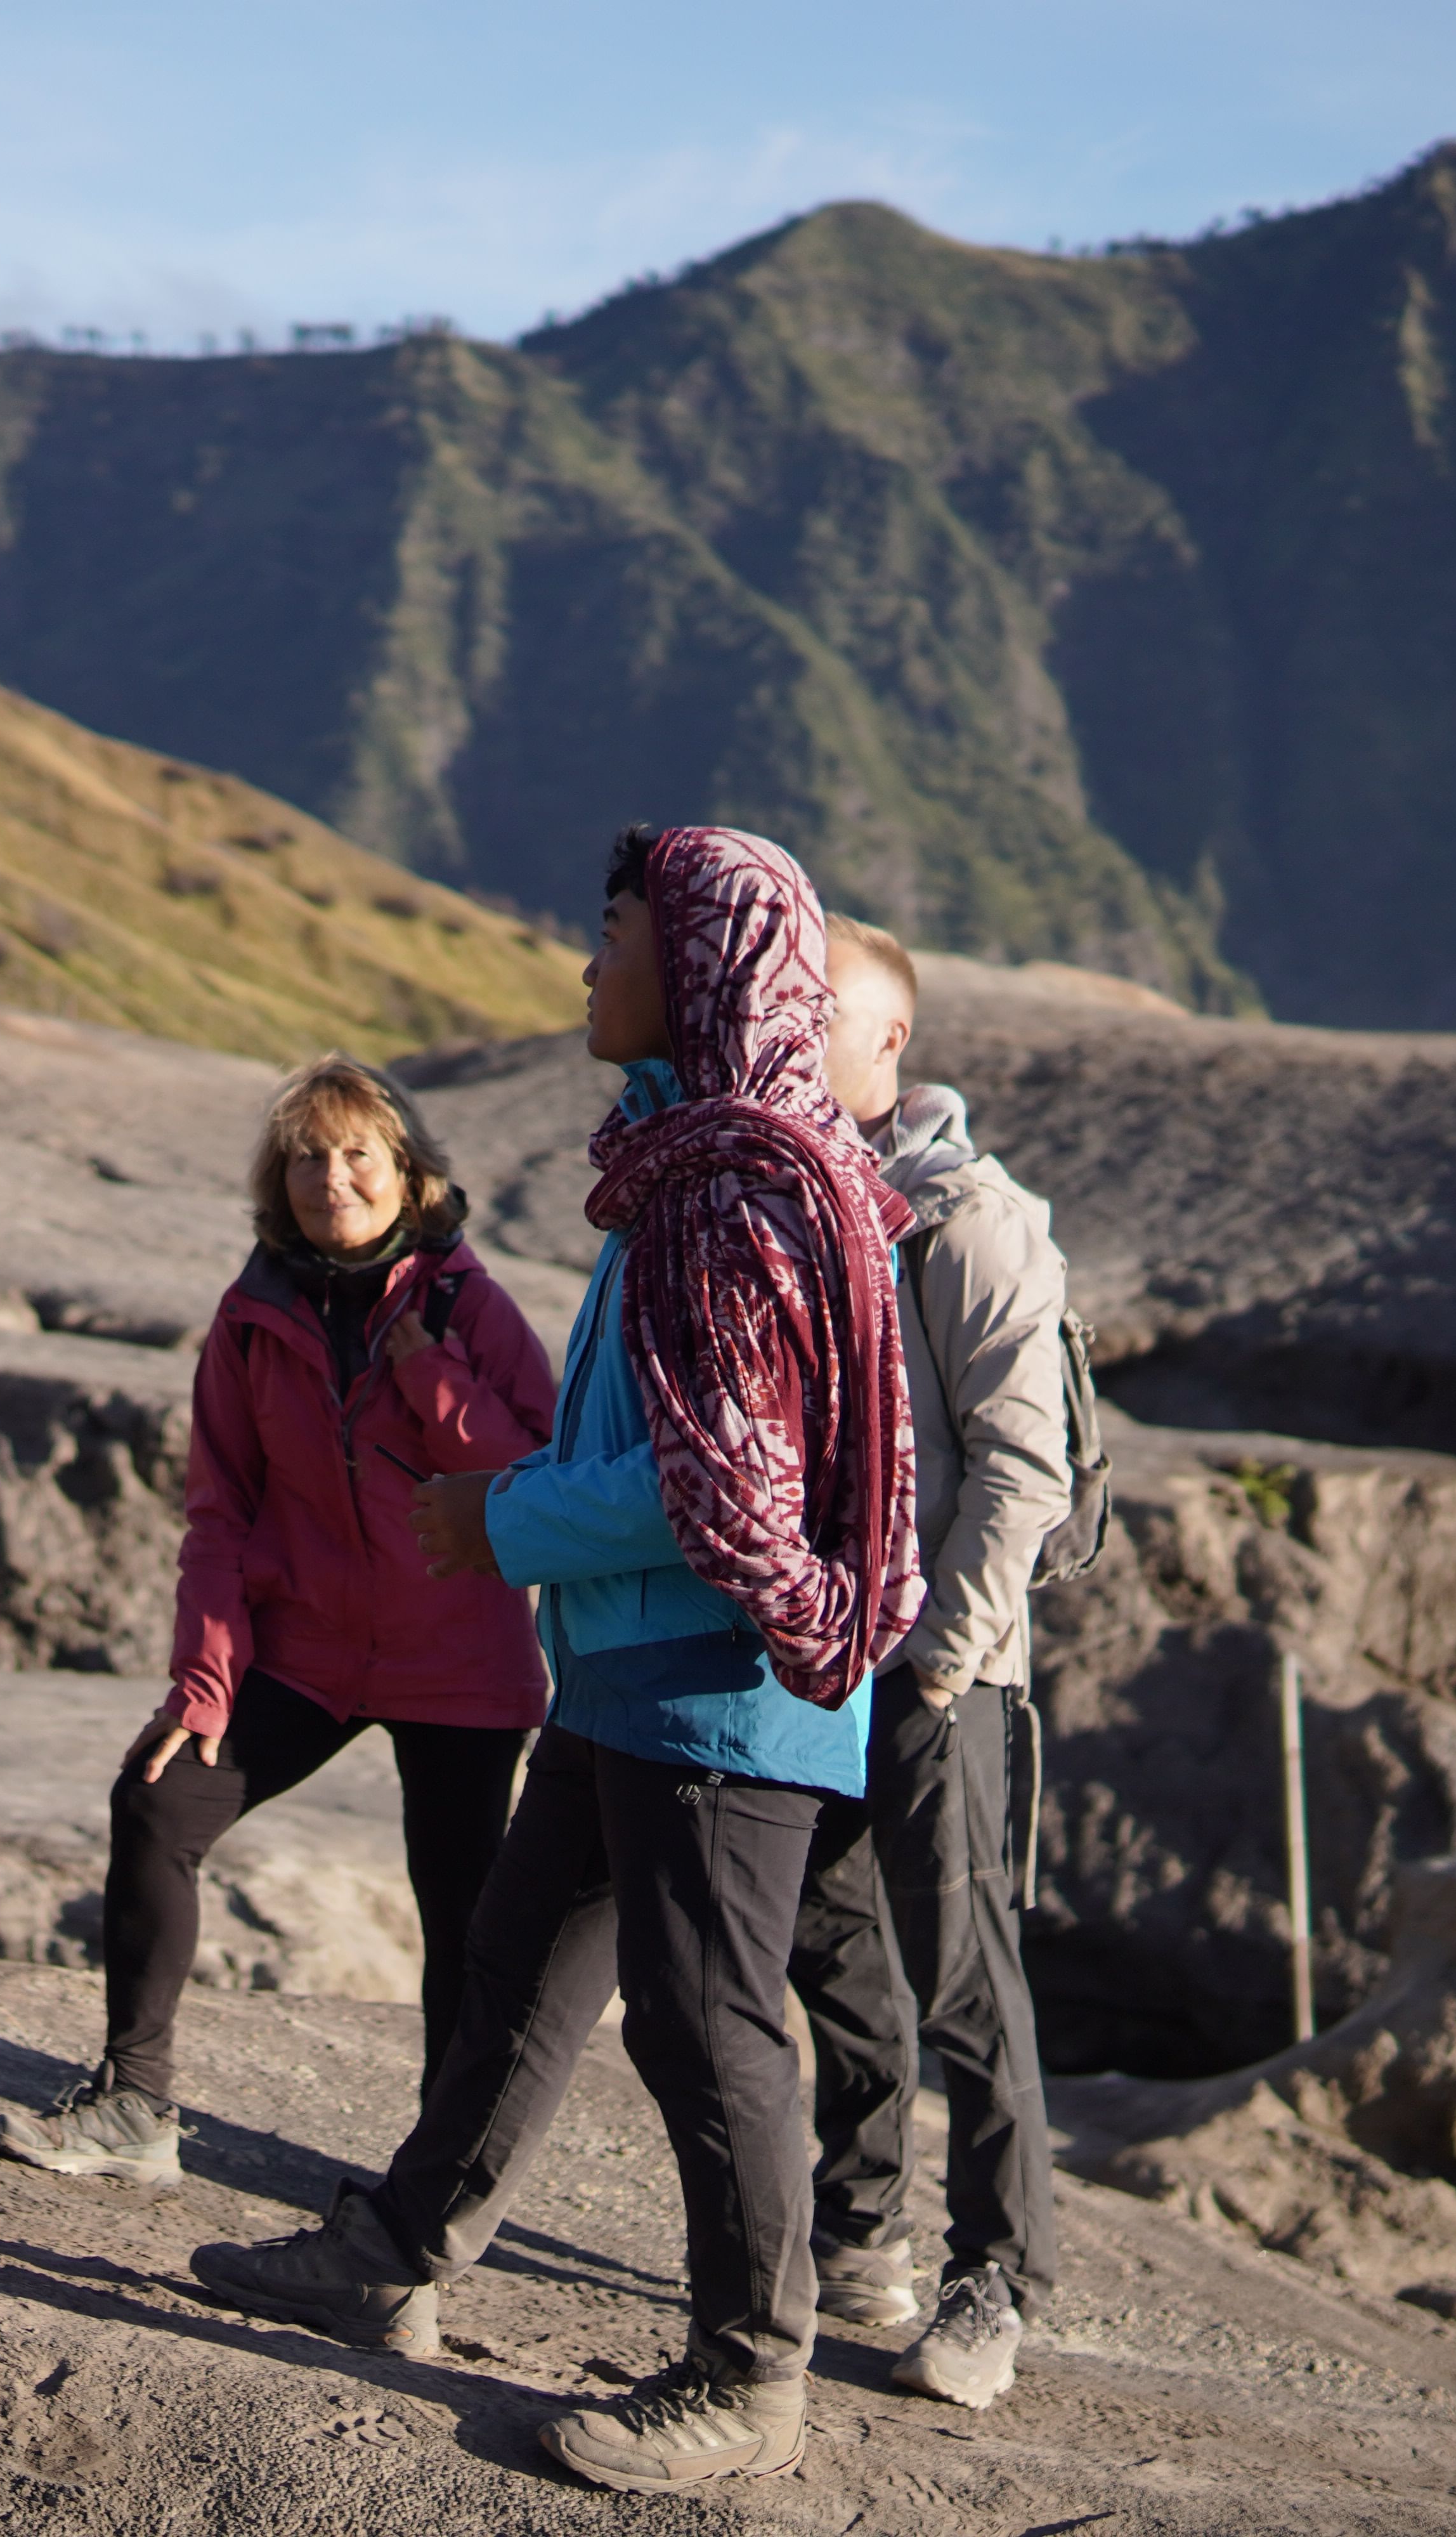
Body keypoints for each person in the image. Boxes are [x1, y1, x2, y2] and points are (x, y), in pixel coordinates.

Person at [194, 824, 926, 2494]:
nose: (586, 967)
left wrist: (499, 1522)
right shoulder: (691, 1162)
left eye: (614, 934)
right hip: (629, 1672)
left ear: (702, 964)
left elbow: (716, 1484)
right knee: (522, 1972)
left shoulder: (740, 1194)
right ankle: (394, 2255)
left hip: (718, 1682)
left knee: (704, 2020)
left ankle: (751, 2376)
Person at [0, 1058, 555, 2184]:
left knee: (461, 1919)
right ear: (279, 1177)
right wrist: (202, 1684)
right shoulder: (252, 1317)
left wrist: (433, 1377)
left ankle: (434, 2182)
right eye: (308, 1156)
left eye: (358, 1155)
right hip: (306, 1656)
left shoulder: (471, 1309)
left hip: (459, 1664)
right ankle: (136, 2108)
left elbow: (540, 1480)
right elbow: (221, 1512)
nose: (331, 1178)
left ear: (410, 1174)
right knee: (157, 1803)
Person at [785, 915, 1073, 2410]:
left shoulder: (968, 1218)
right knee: (831, 1950)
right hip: (816, 1655)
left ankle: (997, 2278)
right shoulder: (793, 1197)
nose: (791, 1021)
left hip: (944, 1670)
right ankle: (854, 2232)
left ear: (889, 1038)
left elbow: (1028, 1472)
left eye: (819, 1006)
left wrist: (945, 1667)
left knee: (965, 1974)